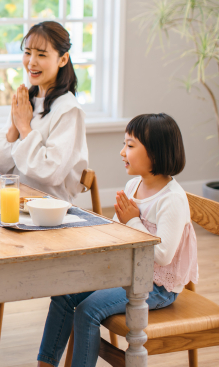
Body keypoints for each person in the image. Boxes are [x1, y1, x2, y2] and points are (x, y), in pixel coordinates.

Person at [0, 21, 88, 358]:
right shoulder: (31, 99)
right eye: (27, 52)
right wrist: (14, 126)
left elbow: (49, 171)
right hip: (15, 202)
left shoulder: (70, 111)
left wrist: (24, 128)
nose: (31, 62)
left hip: (48, 214)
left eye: (42, 54)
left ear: (62, 59)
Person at [36, 113, 198, 367]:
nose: (122, 152)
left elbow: (164, 254)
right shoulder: (134, 186)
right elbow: (121, 231)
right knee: (64, 295)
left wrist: (132, 220)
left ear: (155, 153)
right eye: (124, 144)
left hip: (158, 286)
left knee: (88, 311)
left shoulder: (172, 199)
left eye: (130, 145)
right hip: (129, 273)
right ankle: (45, 364)